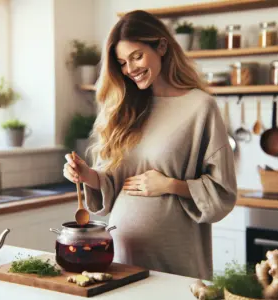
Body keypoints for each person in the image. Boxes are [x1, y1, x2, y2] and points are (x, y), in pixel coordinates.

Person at [63, 10, 237, 280]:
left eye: (137, 56)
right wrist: (87, 175)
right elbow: (113, 181)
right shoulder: (122, 109)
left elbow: (223, 190)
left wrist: (170, 185)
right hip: (120, 254)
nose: (130, 69)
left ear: (162, 46)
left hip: (176, 254)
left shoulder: (200, 107)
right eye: (122, 62)